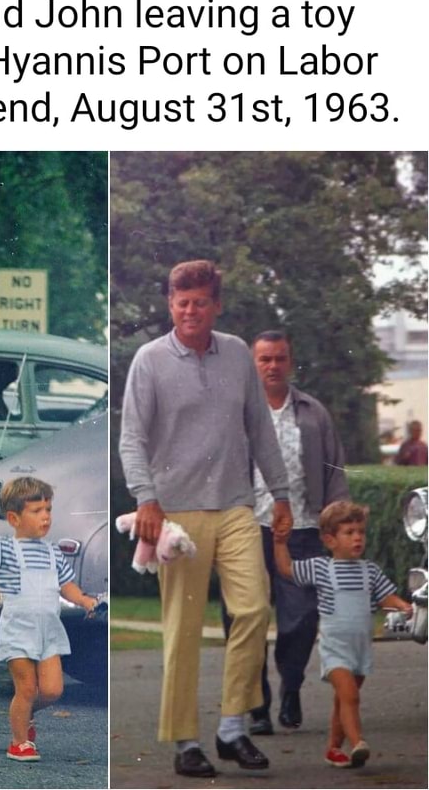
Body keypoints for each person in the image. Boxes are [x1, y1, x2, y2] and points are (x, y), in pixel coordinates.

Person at [119, 260, 293, 778]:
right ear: (169, 303)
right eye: (181, 301)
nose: (189, 310)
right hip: (175, 515)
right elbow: (132, 438)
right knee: (183, 629)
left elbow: (260, 428)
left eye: (199, 302)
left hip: (236, 506)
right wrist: (146, 499)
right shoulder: (150, 360)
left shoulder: (238, 353)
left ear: (216, 305)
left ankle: (232, 727)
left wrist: (281, 494)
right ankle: (185, 740)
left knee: (255, 609)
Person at [223, 331, 350, 735]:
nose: (272, 366)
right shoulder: (236, 412)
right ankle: (257, 703)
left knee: (302, 617)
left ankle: (291, 687)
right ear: (252, 364)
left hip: (304, 530)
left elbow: (335, 470)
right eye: (264, 359)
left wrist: (336, 523)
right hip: (246, 529)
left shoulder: (312, 412)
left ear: (289, 363)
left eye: (279, 359)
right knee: (245, 618)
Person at [0, 476, 99, 762]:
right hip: (18, 630)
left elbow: (67, 585)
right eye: (36, 511)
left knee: (52, 690)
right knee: (26, 688)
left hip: (49, 630)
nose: (45, 516)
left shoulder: (53, 552)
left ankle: (25, 715)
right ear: (14, 518)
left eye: (47, 509)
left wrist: (85, 600)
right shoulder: (4, 549)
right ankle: (19, 742)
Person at [274, 501, 411, 768]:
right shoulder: (322, 568)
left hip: (360, 648)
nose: (357, 537)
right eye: (349, 532)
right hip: (335, 648)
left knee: (342, 700)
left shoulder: (369, 571)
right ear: (330, 540)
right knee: (350, 696)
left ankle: (334, 748)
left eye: (361, 531)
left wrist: (402, 605)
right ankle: (358, 742)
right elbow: (287, 569)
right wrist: (280, 544)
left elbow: (385, 596)